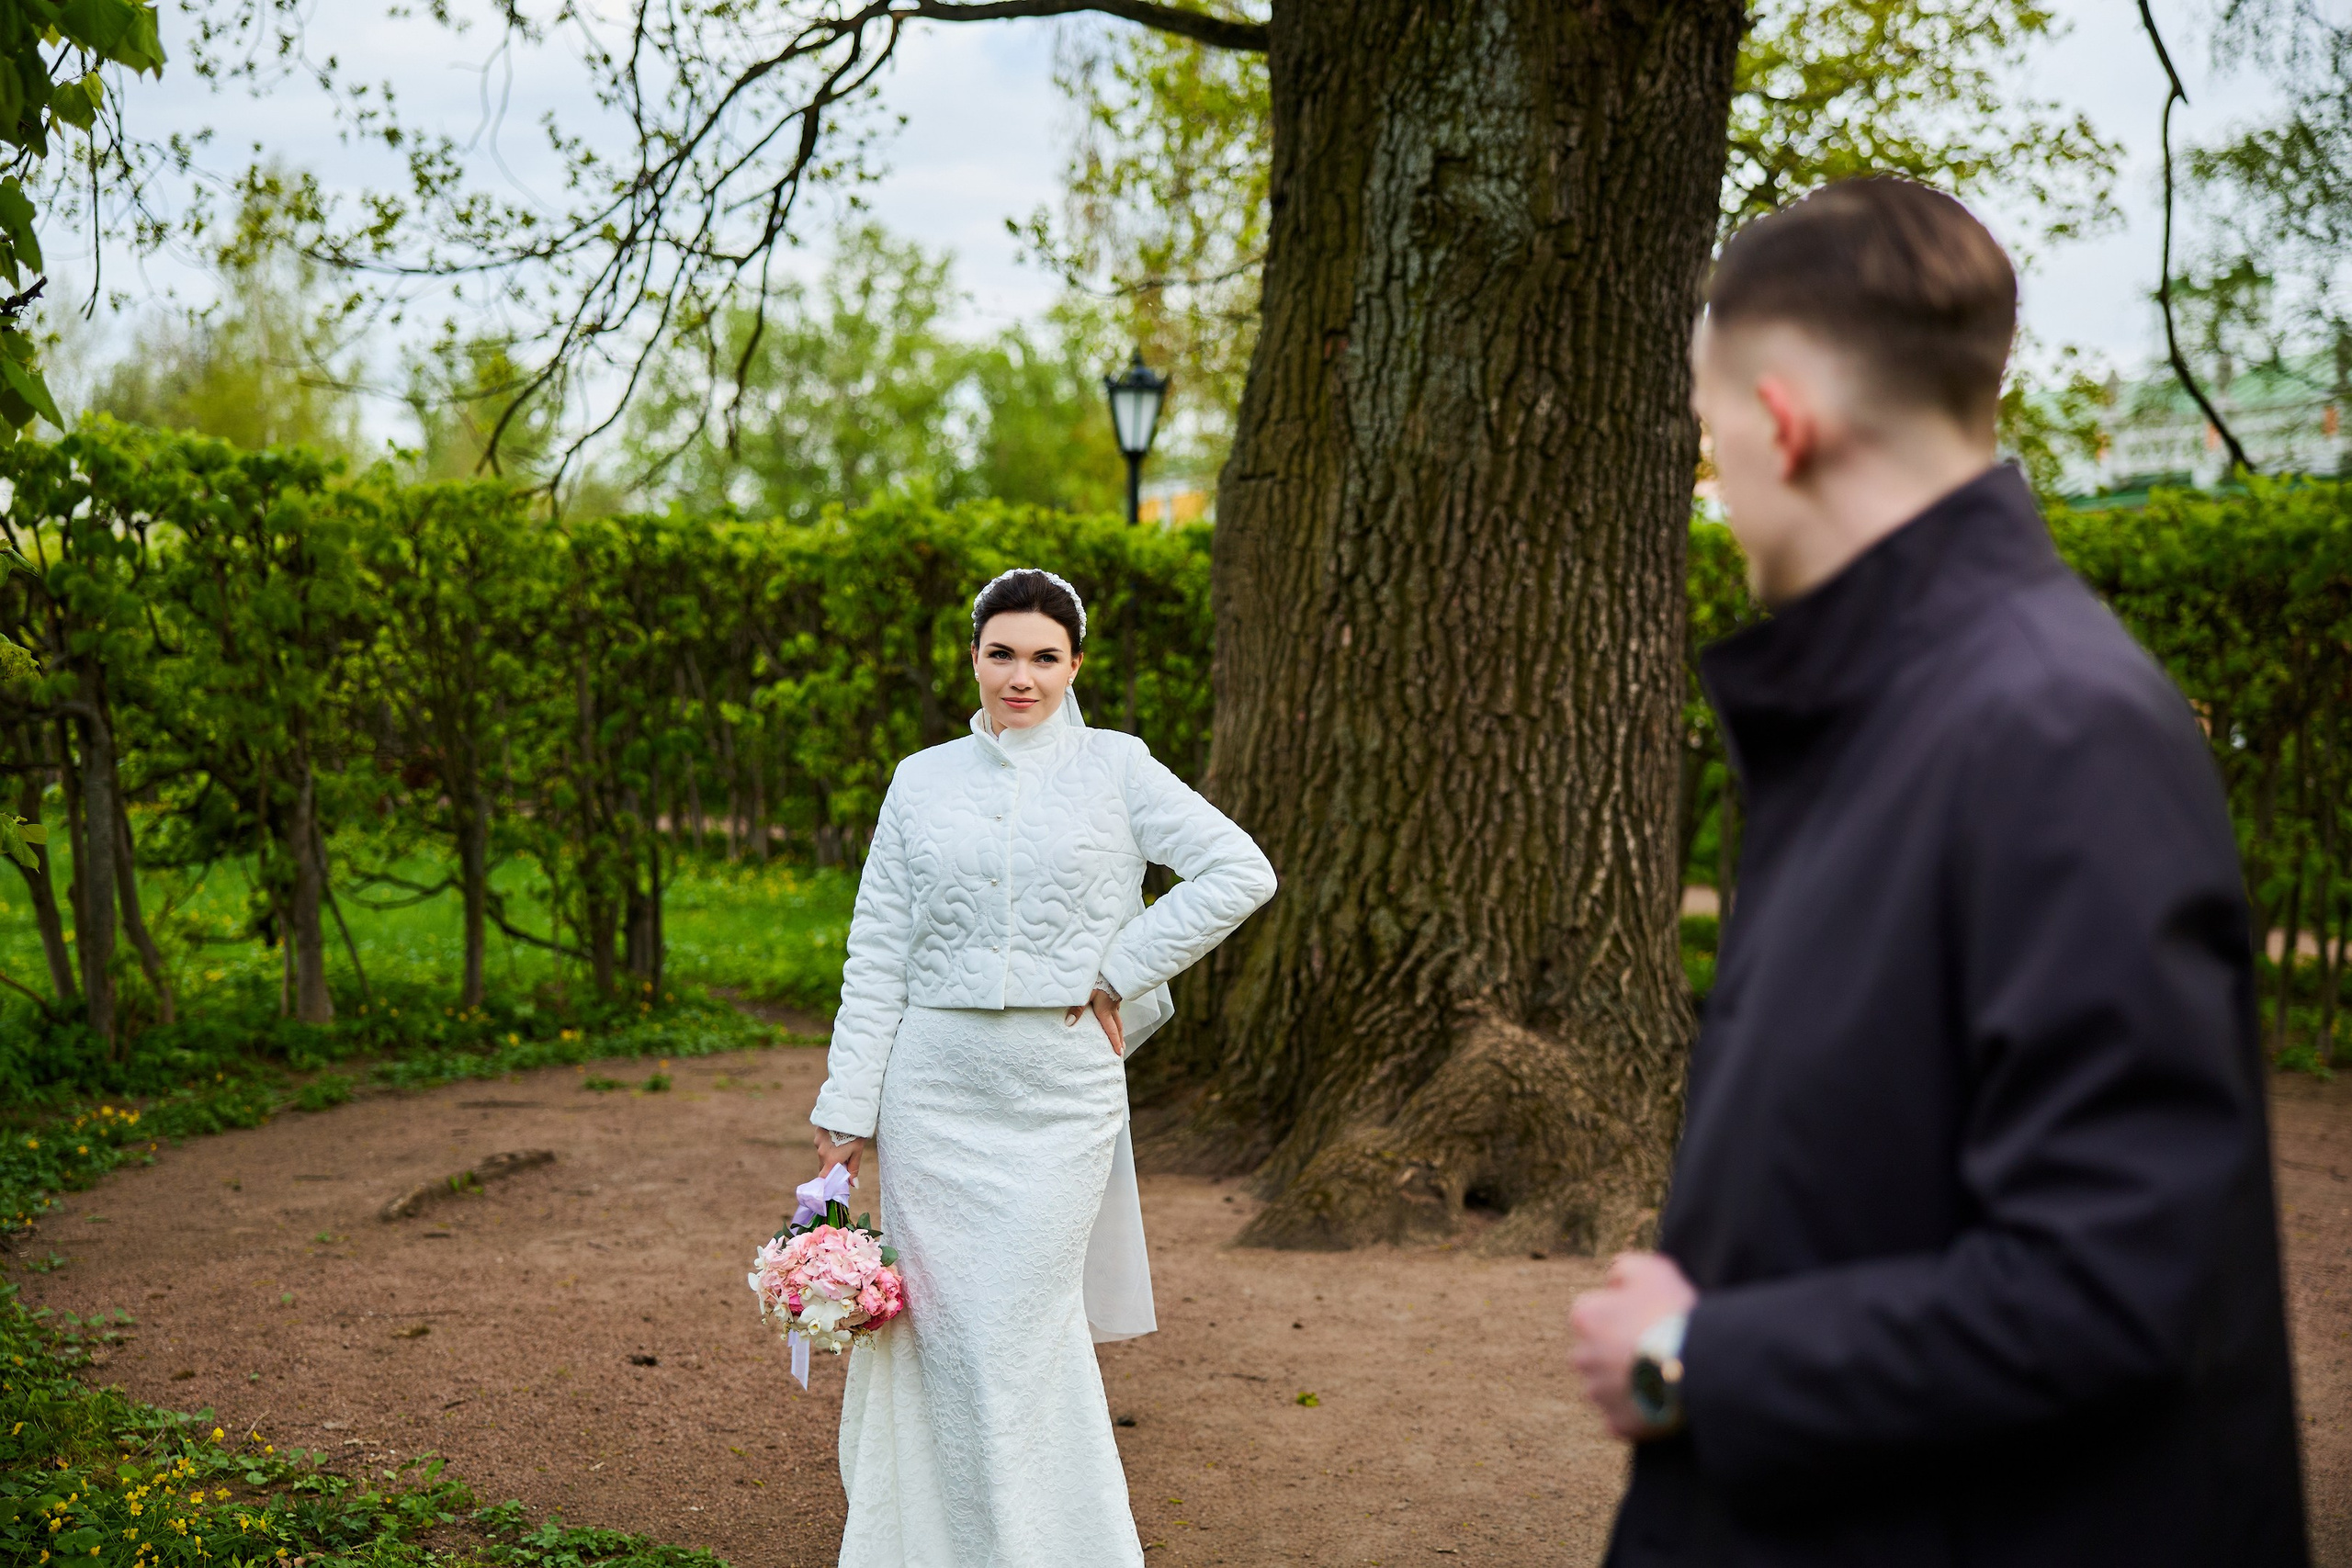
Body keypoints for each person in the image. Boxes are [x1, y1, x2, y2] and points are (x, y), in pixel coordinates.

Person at [1569, 177, 2309, 1565]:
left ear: (1782, 419)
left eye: (1709, 429)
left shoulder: (2055, 727)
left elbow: (2116, 1284)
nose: (1712, 477)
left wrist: (1691, 1357)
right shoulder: (1894, 709)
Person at [806, 567, 1277, 1567]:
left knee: (1015, 1326)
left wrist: (1121, 967)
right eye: (1001, 654)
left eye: (1044, 658)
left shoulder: (1119, 766)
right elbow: (876, 947)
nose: (1021, 676)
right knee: (942, 1325)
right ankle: (924, 1541)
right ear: (973, 657)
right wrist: (847, 1105)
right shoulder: (918, 779)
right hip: (933, 1087)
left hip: (1060, 1091)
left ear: (1075, 666)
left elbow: (1241, 869)